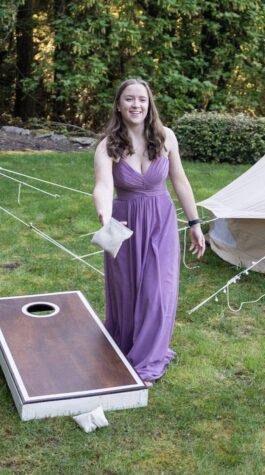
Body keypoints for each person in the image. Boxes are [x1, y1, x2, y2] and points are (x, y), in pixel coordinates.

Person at [93, 78, 205, 385]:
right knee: (127, 292)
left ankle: (149, 359)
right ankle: (129, 345)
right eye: (129, 99)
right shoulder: (108, 145)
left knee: (158, 292)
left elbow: (180, 181)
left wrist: (195, 223)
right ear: (119, 104)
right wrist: (104, 217)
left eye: (141, 99)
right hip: (124, 225)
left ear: (149, 104)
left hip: (161, 221)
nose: (136, 105)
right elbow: (103, 185)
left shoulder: (166, 137)